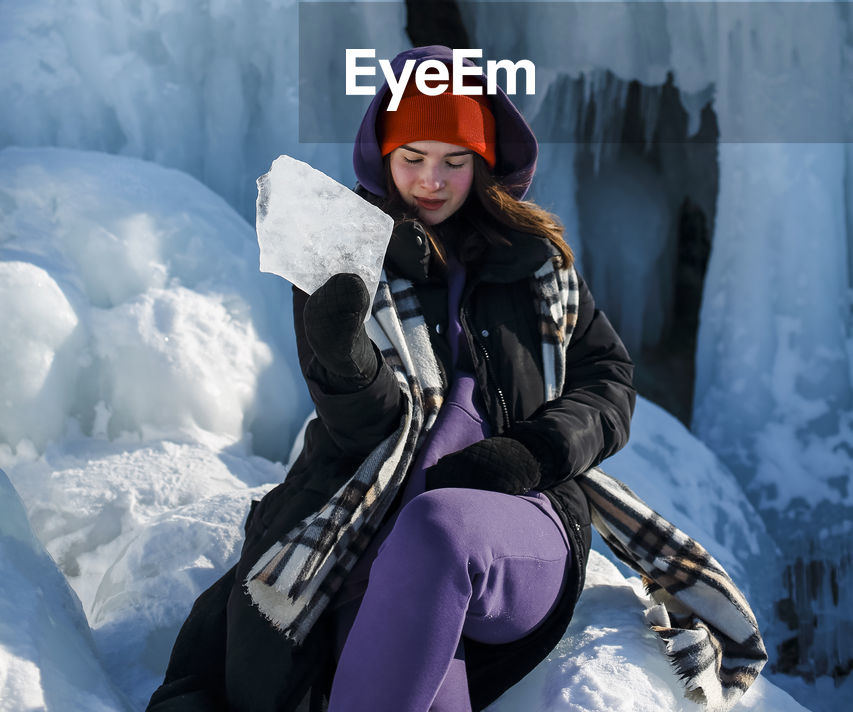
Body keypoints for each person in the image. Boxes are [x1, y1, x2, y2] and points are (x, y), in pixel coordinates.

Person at [147, 46, 764, 712]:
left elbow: (606, 380)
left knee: (436, 528)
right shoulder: (341, 255)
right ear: (381, 156)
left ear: (483, 162)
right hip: (369, 512)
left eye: (454, 160)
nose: (431, 180)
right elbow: (360, 428)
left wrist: (534, 451)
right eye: (412, 158)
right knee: (387, 604)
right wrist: (343, 354)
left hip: (521, 521)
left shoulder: (536, 262)